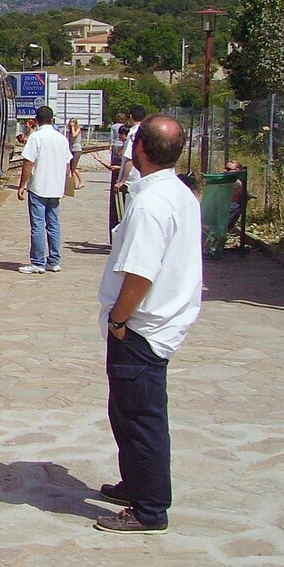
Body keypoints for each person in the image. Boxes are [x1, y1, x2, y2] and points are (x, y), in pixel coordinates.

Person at [95, 114, 202, 535]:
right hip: (156, 324)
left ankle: (150, 508)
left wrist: (119, 319)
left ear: (137, 147)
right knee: (126, 412)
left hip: (141, 329)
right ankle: (136, 485)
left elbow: (140, 274)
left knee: (141, 417)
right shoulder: (177, 194)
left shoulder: (152, 204)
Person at [16, 105, 72, 274]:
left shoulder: (36, 137)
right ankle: (54, 261)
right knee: (53, 224)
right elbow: (68, 163)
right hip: (56, 188)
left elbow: (28, 162)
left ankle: (38, 262)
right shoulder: (61, 138)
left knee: (38, 225)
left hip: (39, 186)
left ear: (37, 120)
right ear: (52, 120)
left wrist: (22, 185)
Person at [110, 104, 147, 236]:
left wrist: (122, 180)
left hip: (131, 180)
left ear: (131, 117)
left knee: (127, 213)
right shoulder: (147, 130)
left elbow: (130, 159)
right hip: (143, 176)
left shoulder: (133, 133)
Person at [66, 118, 85, 189]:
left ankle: (81, 181)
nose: (71, 123)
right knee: (71, 168)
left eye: (73, 122)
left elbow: (74, 135)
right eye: (71, 122)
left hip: (77, 149)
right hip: (71, 149)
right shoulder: (69, 131)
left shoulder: (78, 129)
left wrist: (73, 127)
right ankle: (74, 183)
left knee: (74, 167)